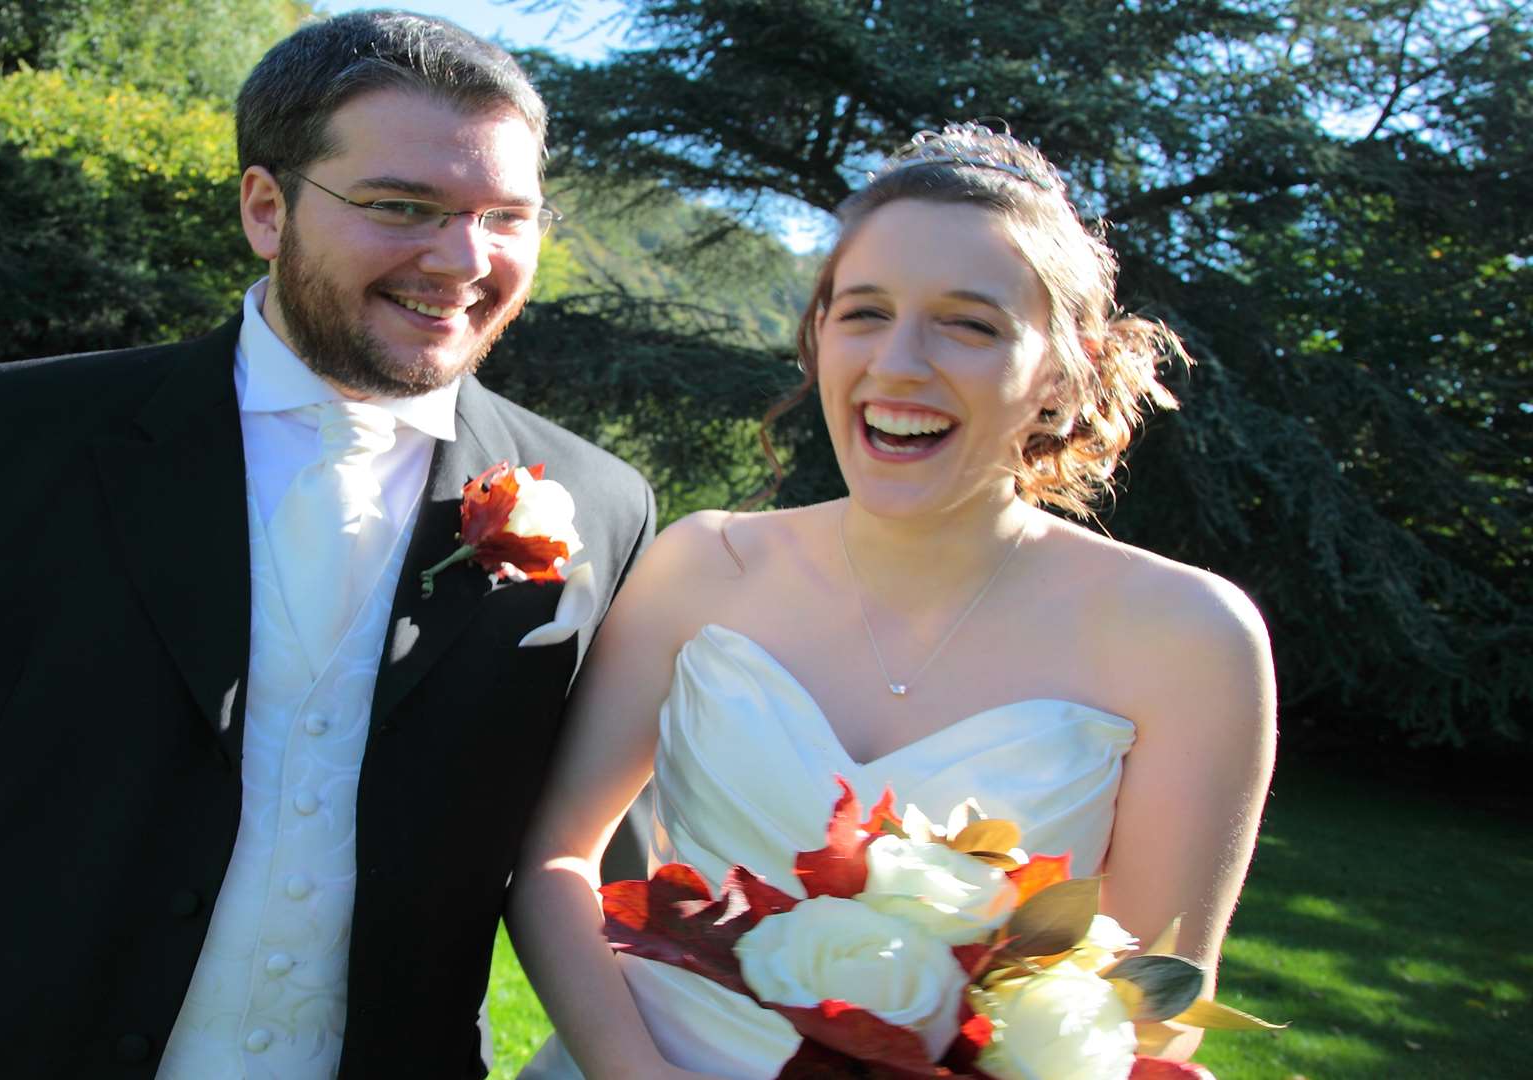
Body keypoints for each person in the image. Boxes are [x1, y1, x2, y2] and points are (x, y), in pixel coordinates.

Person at [0, 12, 654, 1079]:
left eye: (506, 217)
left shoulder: (603, 511)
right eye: (402, 207)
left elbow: (608, 884)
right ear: (264, 207)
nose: (466, 259)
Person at [508, 124, 1277, 1077]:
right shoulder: (701, 566)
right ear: (819, 338)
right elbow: (554, 861)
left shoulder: (1186, 638)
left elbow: (1158, 998)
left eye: (970, 324)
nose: (900, 363)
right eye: (864, 312)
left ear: (1062, 375)